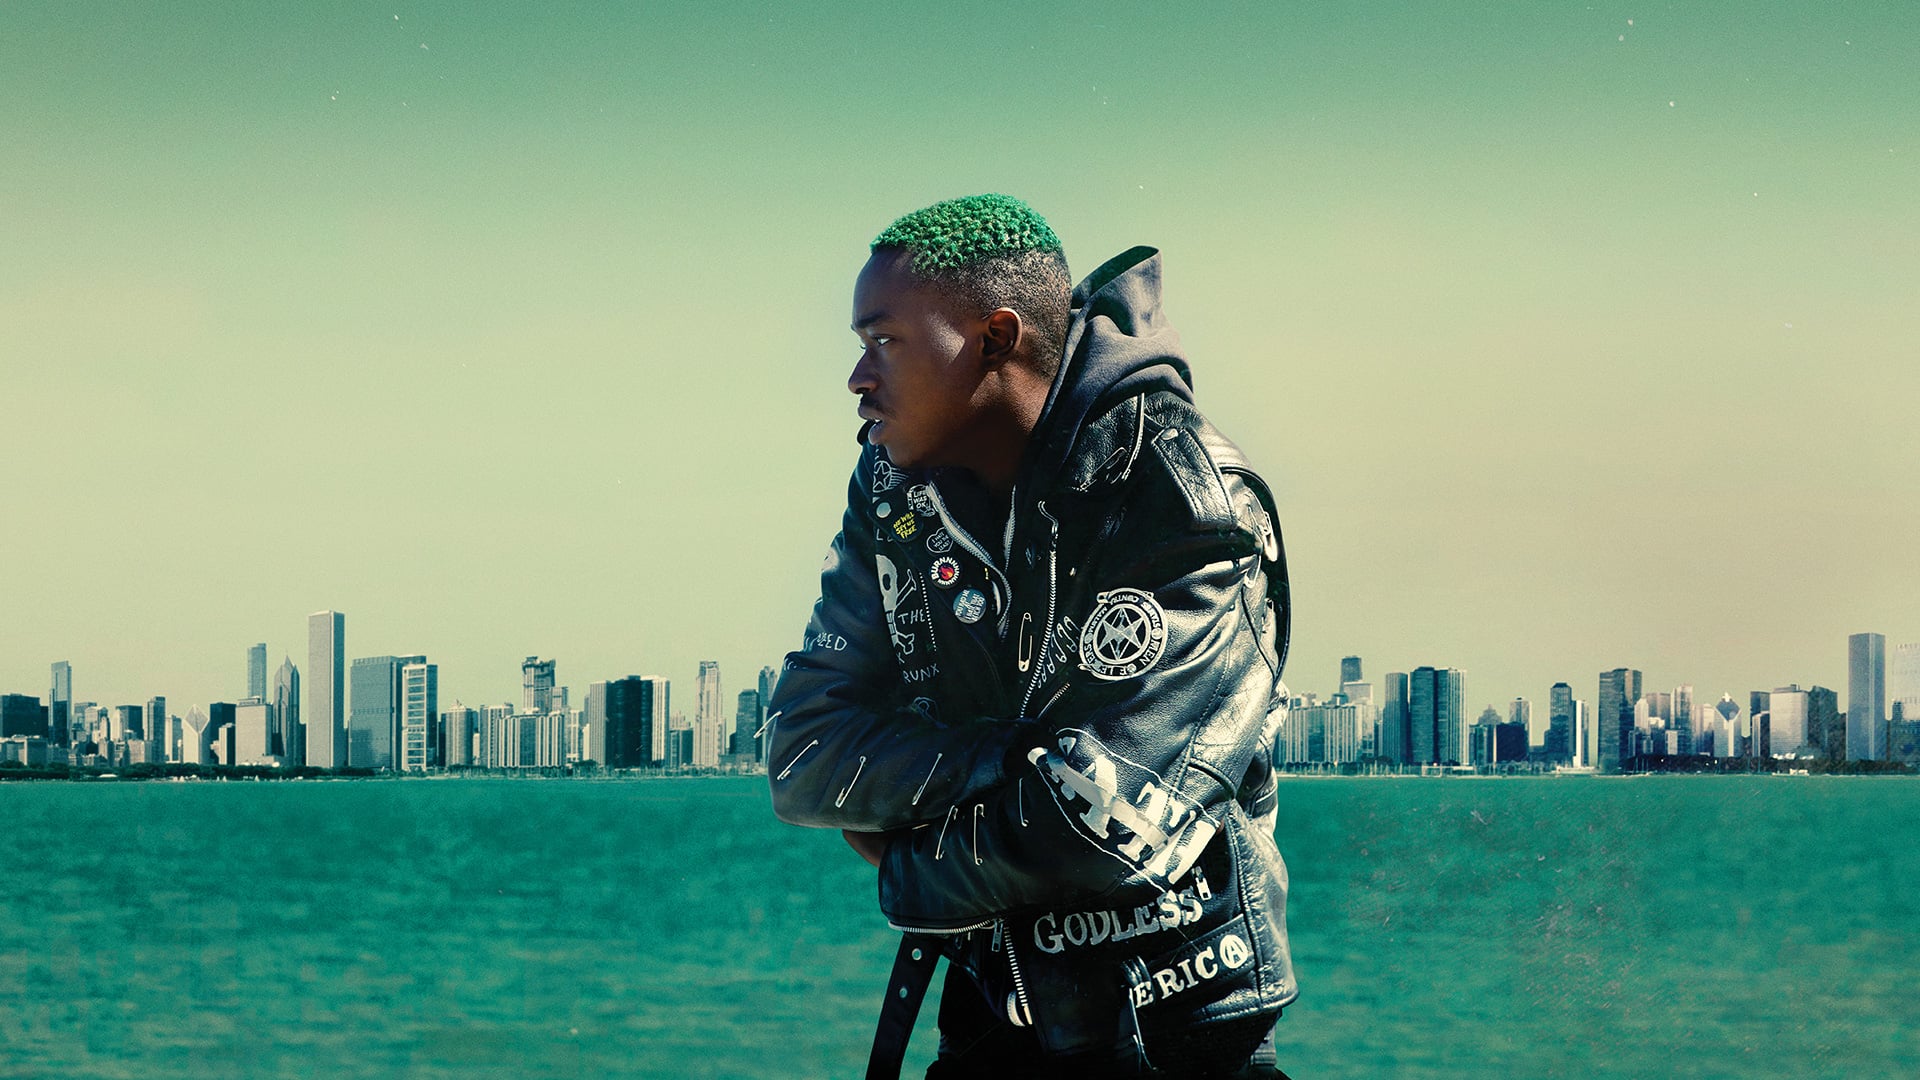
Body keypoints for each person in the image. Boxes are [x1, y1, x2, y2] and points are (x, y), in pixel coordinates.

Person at [767, 194, 1295, 1078]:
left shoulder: (1185, 497)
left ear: (996, 338)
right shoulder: (892, 485)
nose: (857, 378)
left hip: (1181, 1028)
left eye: (885, 341)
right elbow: (805, 755)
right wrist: (1022, 762)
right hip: (985, 1013)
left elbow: (1107, 827)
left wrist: (904, 865)